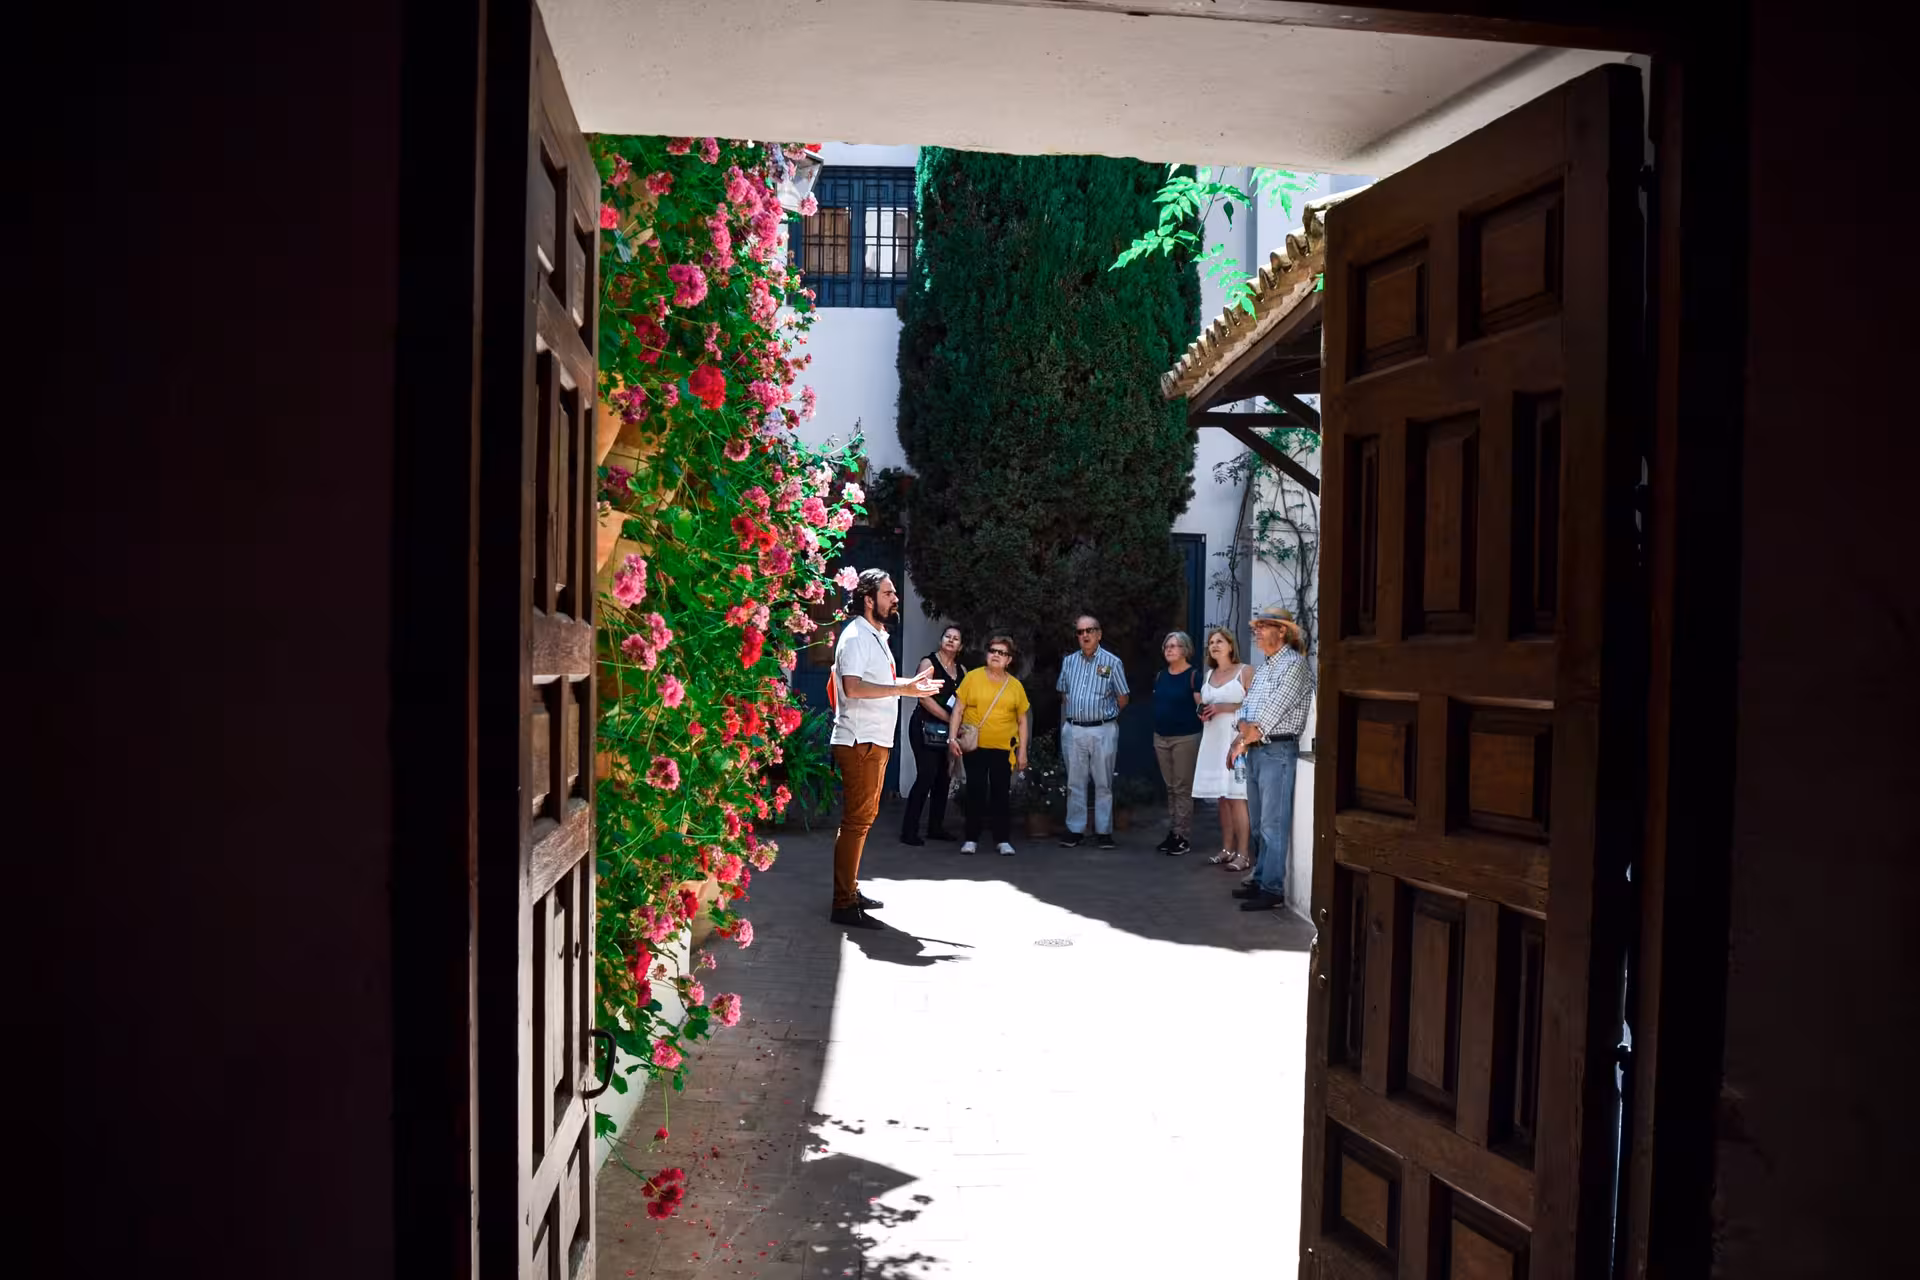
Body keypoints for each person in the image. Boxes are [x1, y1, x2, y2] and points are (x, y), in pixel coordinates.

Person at [828, 570, 942, 928]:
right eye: (888, 593)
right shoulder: (855, 636)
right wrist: (903, 689)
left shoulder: (875, 635)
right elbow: (853, 687)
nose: (895, 598)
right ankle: (843, 903)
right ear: (868, 599)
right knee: (856, 821)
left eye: (894, 593)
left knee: (862, 820)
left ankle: (850, 890)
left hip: (874, 741)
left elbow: (880, 682)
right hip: (859, 741)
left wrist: (909, 685)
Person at [1226, 605, 1315, 912]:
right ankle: (1261, 878)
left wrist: (1243, 735)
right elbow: (1243, 712)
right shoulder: (1264, 668)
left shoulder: (1294, 665)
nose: (1257, 632)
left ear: (1283, 631)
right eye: (1257, 627)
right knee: (1259, 824)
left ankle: (1272, 889)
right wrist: (1243, 732)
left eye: (1264, 626)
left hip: (1277, 751)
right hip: (1257, 750)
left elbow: (1265, 718)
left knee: (1272, 825)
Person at [948, 633, 1032, 856]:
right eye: (993, 651)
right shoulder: (972, 678)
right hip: (975, 747)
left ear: (1009, 660)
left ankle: (1002, 839)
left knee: (1000, 794)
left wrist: (1022, 751)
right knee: (975, 791)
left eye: (1001, 653)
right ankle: (971, 838)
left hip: (1003, 748)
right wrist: (952, 738)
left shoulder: (1015, 686)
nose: (996, 655)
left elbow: (1022, 721)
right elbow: (958, 709)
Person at [1056, 614, 1129, 849]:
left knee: (1103, 783)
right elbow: (1064, 693)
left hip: (1102, 730)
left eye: (1089, 630)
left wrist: (1105, 716)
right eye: (1080, 632)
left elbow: (1123, 697)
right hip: (1074, 729)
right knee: (1074, 783)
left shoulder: (1112, 662)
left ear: (1099, 634)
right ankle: (1075, 830)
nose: (1085, 635)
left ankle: (1103, 831)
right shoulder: (1069, 662)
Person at [1192, 626, 1255, 870]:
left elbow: (1253, 704)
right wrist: (1204, 713)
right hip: (1212, 740)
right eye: (1211, 642)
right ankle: (1227, 849)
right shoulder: (1209, 675)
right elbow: (1206, 704)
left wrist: (1222, 708)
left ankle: (1243, 854)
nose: (1214, 646)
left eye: (1219, 641)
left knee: (1237, 797)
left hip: (1235, 740)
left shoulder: (1245, 671)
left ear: (1230, 645)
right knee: (1222, 797)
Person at [900, 624, 966, 846]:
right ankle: (909, 830)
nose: (951, 640)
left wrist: (957, 725)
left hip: (948, 732)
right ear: (941, 640)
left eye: (956, 638)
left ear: (960, 646)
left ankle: (935, 827)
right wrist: (950, 719)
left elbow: (964, 701)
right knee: (926, 775)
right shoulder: (928, 663)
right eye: (948, 636)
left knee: (943, 778)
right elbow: (923, 697)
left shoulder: (962, 670)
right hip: (924, 726)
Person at [1150, 630, 1205, 855]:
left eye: (1174, 646)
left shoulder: (1194, 676)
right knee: (1171, 787)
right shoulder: (1161, 676)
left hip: (1185, 738)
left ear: (1185, 649)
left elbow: (1201, 706)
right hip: (1161, 737)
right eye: (1167, 646)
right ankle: (1174, 832)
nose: (1169, 650)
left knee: (1182, 788)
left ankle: (1183, 836)